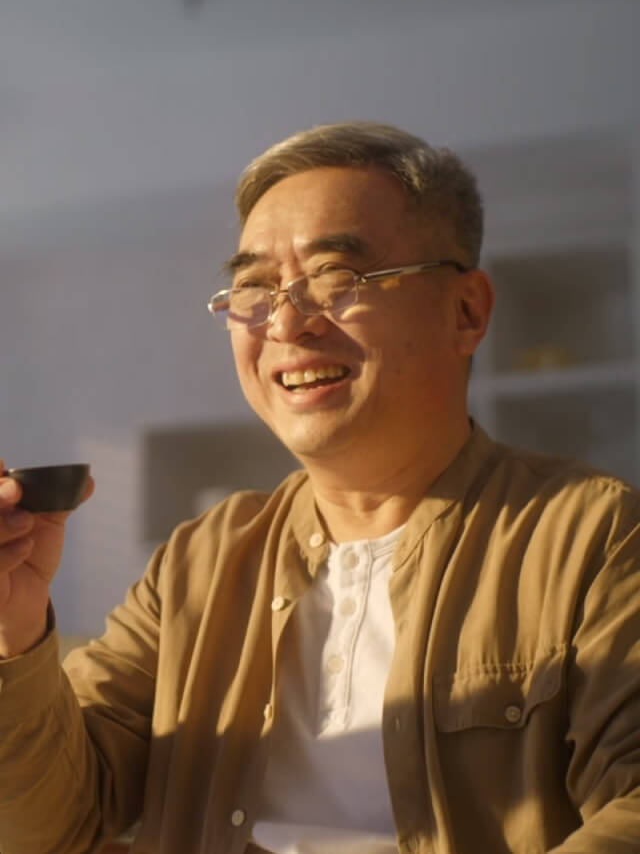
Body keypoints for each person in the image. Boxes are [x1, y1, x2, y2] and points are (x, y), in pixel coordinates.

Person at [1, 122, 640, 854]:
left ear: (466, 312)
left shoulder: (591, 536)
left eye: (337, 278)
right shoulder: (201, 561)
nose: (285, 323)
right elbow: (48, 826)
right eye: (254, 288)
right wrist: (14, 630)